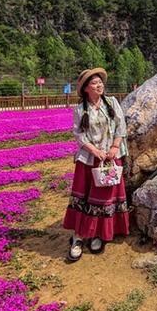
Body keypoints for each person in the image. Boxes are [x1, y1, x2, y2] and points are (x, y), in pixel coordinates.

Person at [63, 67, 129, 262]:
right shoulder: (80, 109)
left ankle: (98, 233)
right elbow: (79, 135)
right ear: (85, 89)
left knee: (105, 197)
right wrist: (96, 151)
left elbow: (121, 125)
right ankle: (78, 236)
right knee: (85, 197)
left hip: (110, 156)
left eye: (100, 82)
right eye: (94, 83)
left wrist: (115, 147)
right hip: (89, 160)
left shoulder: (112, 102)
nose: (99, 85)